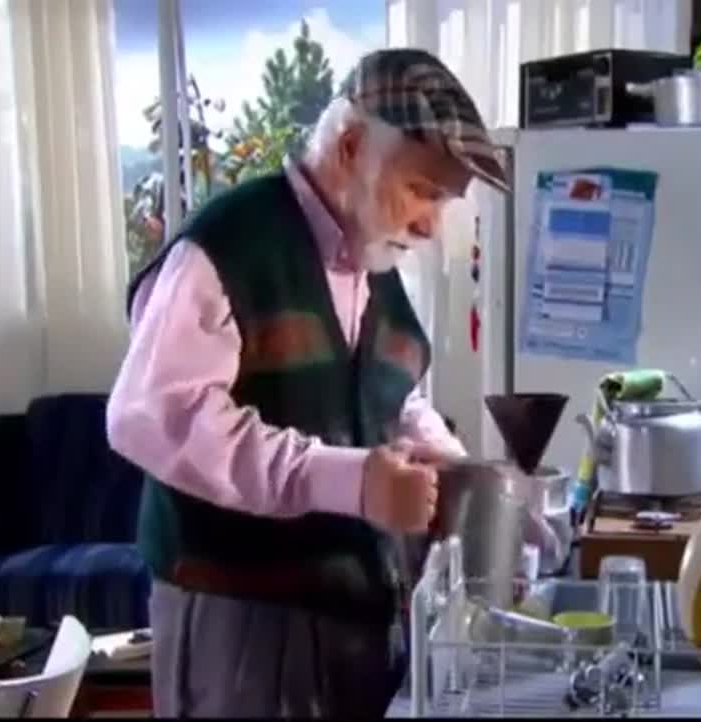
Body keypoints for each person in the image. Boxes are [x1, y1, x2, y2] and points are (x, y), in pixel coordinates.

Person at [105, 48, 511, 717]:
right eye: (422, 190)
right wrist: (351, 481)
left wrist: (468, 478)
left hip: (357, 620)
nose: (430, 225)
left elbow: (392, 399)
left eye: (443, 202)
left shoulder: (374, 260)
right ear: (351, 146)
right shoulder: (229, 245)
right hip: (240, 624)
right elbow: (156, 416)